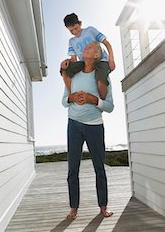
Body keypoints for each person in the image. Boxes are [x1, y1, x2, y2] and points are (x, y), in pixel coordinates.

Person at [62, 41, 114, 220]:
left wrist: (94, 99)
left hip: (95, 127)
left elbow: (109, 106)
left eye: (90, 48)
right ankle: (73, 208)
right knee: (72, 169)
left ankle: (103, 206)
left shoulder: (102, 77)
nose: (85, 48)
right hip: (74, 125)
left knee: (99, 168)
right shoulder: (74, 75)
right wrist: (71, 97)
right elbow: (63, 101)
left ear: (97, 55)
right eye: (85, 47)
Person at [60, 13, 115, 100]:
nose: (75, 32)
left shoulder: (90, 30)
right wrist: (67, 62)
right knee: (65, 69)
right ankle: (73, 94)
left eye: (76, 28)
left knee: (101, 78)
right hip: (85, 63)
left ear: (80, 24)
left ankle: (101, 100)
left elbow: (106, 43)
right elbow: (73, 59)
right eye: (71, 31)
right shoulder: (72, 41)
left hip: (101, 60)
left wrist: (111, 59)